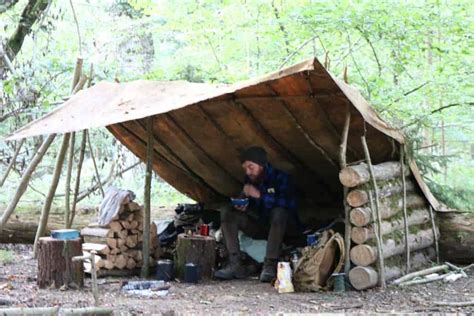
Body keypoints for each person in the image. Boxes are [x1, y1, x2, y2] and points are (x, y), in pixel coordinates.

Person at [214, 146, 302, 282]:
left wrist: (260, 195)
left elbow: (289, 204)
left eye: (251, 167)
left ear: (261, 164)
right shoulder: (250, 179)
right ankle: (234, 263)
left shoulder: (281, 178)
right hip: (262, 226)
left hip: (283, 229)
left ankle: (270, 265)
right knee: (228, 212)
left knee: (279, 212)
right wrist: (243, 205)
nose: (248, 172)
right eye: (245, 168)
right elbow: (254, 207)